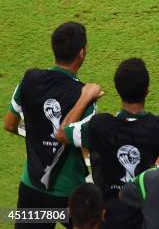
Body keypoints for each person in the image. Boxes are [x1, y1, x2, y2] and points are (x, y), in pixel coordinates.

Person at [56, 58, 159, 228]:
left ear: (118, 90)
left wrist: (85, 98)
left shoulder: (98, 125)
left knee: (38, 215)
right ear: (147, 91)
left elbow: (62, 133)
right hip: (151, 217)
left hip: (110, 218)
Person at [3, 22, 103, 229]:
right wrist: (86, 97)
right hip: (70, 196)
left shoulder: (29, 80)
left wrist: (35, 135)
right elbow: (74, 140)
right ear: (81, 53)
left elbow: (9, 124)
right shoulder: (84, 95)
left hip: (31, 186)